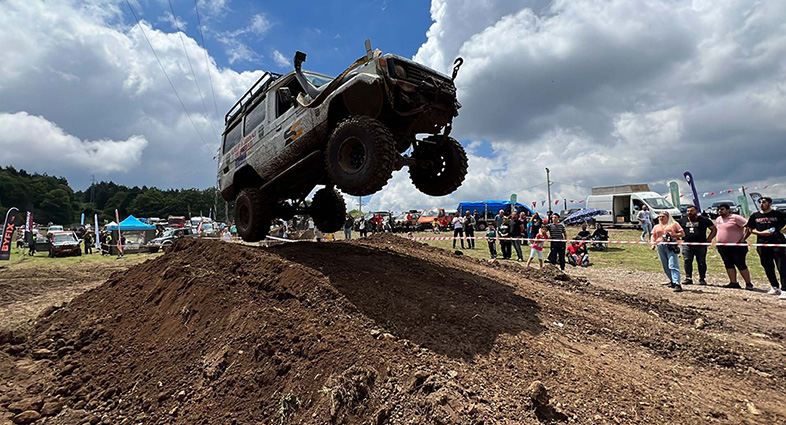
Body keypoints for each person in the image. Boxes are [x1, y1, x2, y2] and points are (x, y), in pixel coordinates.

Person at [744, 197, 786, 298]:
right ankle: (774, 286)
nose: (762, 204)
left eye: (764, 202)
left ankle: (784, 289)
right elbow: (750, 229)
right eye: (760, 202)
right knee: (767, 266)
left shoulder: (778, 214)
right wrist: (760, 233)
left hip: (777, 243)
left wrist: (782, 231)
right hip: (762, 243)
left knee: (782, 266)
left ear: (770, 203)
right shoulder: (755, 215)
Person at [715, 203, 753, 290]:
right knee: (728, 264)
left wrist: (743, 239)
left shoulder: (736, 218)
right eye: (719, 209)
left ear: (728, 209)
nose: (720, 211)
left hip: (736, 246)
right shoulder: (718, 219)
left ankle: (748, 283)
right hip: (722, 246)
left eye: (722, 209)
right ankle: (733, 282)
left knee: (740, 264)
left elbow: (749, 227)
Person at [679, 205, 716, 286]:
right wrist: (679, 238)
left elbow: (714, 229)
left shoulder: (704, 220)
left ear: (696, 211)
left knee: (701, 262)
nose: (689, 212)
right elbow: (676, 229)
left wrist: (709, 239)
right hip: (687, 244)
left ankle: (702, 279)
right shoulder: (682, 221)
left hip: (701, 245)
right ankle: (688, 278)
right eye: (688, 211)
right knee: (687, 260)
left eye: (691, 211)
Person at [651, 211, 685, 292]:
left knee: (672, 264)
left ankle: (677, 283)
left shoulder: (674, 224)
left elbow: (682, 234)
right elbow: (653, 236)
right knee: (665, 265)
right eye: (659, 217)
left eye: (663, 216)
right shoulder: (656, 226)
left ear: (668, 217)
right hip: (660, 245)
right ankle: (672, 280)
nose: (661, 218)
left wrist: (673, 235)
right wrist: (653, 244)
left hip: (671, 245)